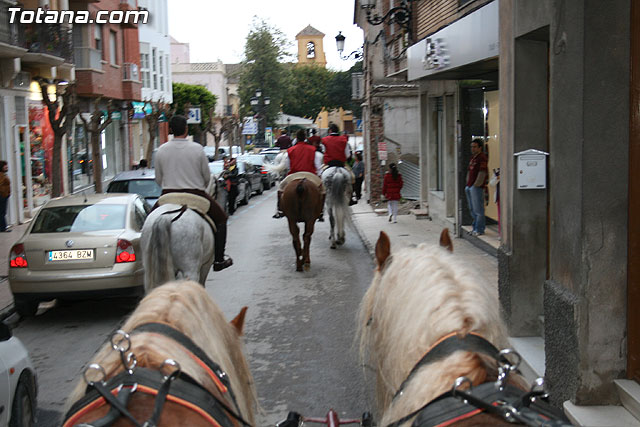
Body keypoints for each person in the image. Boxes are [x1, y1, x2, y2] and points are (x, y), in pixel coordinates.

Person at [154, 115, 233, 271]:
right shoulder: (197, 149)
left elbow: (158, 178)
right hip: (195, 194)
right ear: (186, 129)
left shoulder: (161, 150)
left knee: (147, 225)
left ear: (170, 130)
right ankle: (218, 260)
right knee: (221, 219)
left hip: (167, 195)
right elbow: (205, 177)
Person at [273, 129, 324, 220]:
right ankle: (320, 211)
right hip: (310, 175)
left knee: (280, 188)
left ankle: (280, 210)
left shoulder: (290, 150)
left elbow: (288, 166)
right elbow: (317, 166)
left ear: (296, 138)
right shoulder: (313, 150)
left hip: (294, 174)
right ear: (305, 138)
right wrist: (319, 176)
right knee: (323, 191)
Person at [322, 123, 356, 205]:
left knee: (320, 177)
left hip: (329, 164)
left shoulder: (324, 140)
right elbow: (348, 155)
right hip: (341, 164)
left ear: (330, 131)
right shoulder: (344, 140)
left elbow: (323, 152)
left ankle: (322, 196)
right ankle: (351, 197)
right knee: (352, 178)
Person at [464, 138, 488, 236]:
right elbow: (469, 172)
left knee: (478, 210)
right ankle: (475, 228)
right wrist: (468, 184)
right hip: (470, 186)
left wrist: (476, 185)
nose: (472, 149)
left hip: (476, 187)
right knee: (472, 209)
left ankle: (479, 229)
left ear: (480, 148)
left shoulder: (482, 158)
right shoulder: (473, 158)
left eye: (474, 147)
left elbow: (482, 172)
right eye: (471, 147)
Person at [0, 161, 10, 232]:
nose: (6, 167)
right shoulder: (1, 175)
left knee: (2, 212)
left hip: (4, 195)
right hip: (2, 196)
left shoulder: (3, 174)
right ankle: (3, 228)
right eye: (5, 166)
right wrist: (3, 193)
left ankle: (3, 227)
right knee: (2, 212)